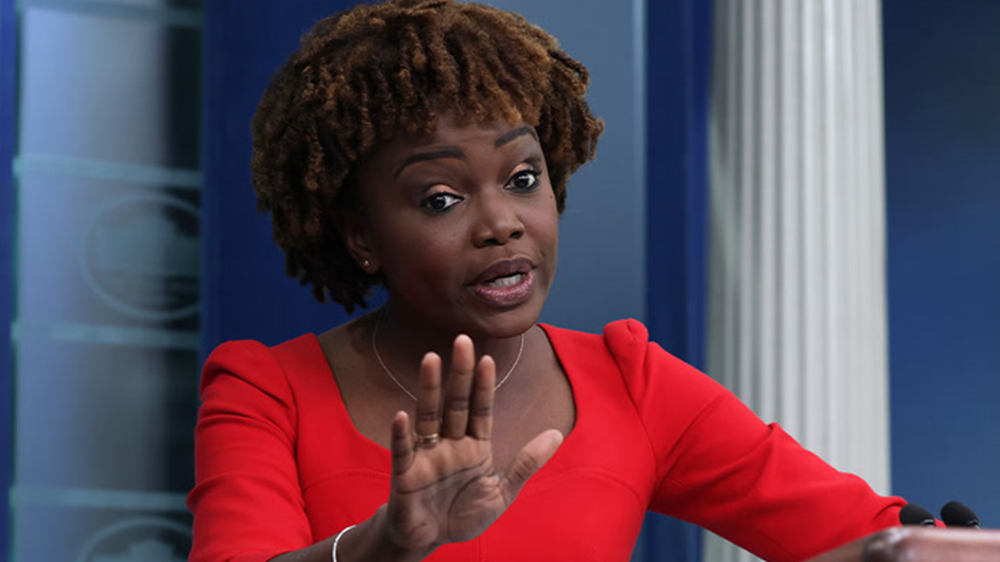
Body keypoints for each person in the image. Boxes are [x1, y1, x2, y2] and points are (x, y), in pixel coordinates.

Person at [186, 1, 908, 561]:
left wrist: (940, 543)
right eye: (441, 199)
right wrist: (385, 544)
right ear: (362, 237)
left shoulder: (632, 384)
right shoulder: (267, 393)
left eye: (523, 178)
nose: (502, 223)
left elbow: (866, 534)